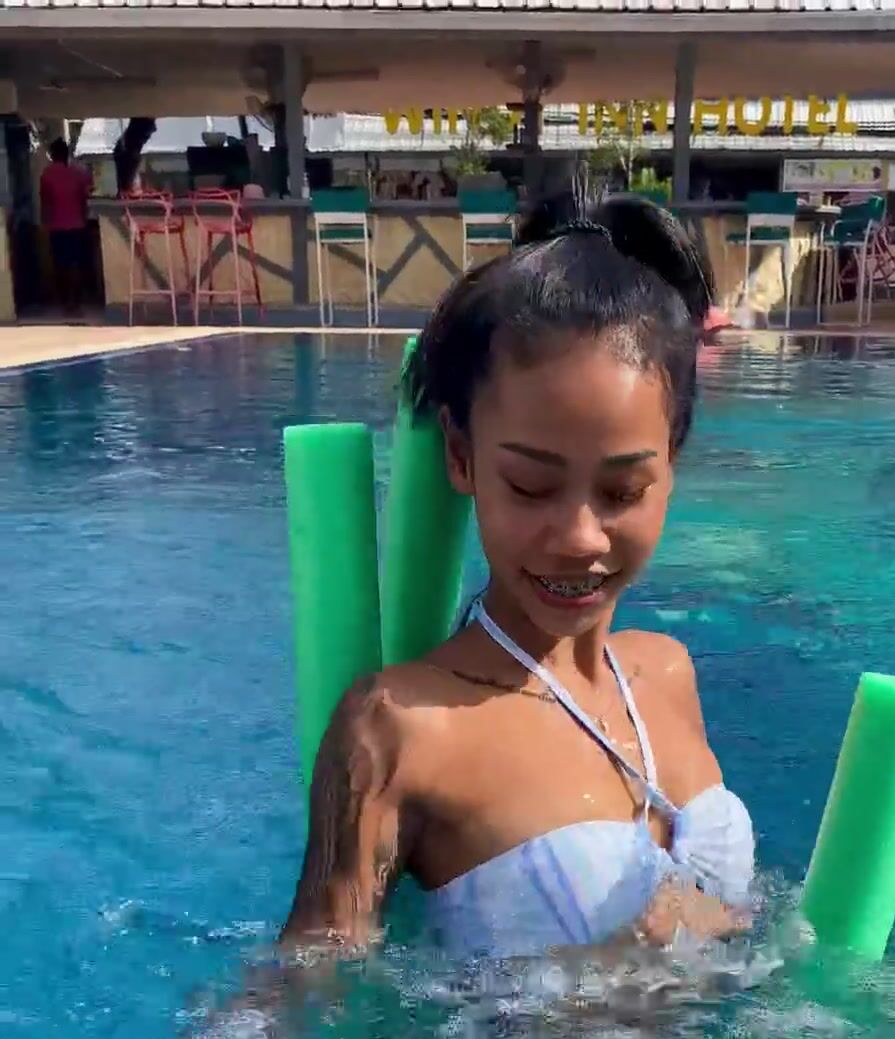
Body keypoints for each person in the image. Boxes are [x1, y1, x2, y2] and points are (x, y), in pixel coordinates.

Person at [283, 191, 755, 963]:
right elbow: (304, 998)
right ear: (461, 457)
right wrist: (610, 970)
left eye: (623, 491)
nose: (579, 538)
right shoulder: (402, 730)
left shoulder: (667, 675)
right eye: (531, 487)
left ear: (672, 462)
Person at [39, 137, 93, 317]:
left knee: (61, 265)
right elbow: (86, 198)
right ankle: (76, 302)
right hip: (78, 225)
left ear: (53, 154)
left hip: (57, 227)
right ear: (67, 154)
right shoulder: (79, 173)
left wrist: (45, 224)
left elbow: (45, 203)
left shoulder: (47, 174)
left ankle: (65, 303)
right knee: (77, 264)